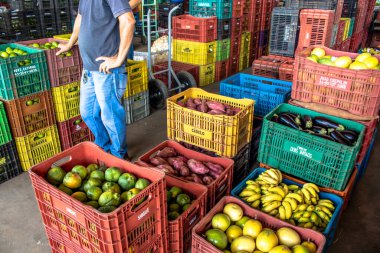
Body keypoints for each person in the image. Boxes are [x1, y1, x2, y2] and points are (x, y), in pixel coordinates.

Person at [56, 0, 136, 159]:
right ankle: (105, 146)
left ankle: (119, 154)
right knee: (87, 113)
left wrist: (119, 59)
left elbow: (128, 20)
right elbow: (80, 17)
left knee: (110, 115)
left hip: (106, 70)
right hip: (89, 68)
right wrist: (70, 43)